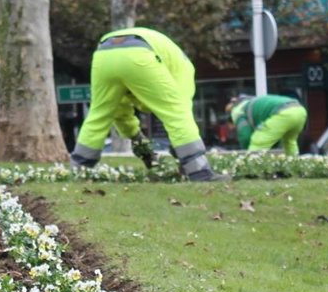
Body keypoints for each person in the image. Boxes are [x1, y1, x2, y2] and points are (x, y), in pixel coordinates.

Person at [70, 27, 221, 181]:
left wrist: (139, 142)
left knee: (99, 114)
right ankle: (200, 173)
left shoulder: (170, 68)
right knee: (177, 111)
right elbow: (179, 116)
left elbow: (119, 113)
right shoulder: (184, 70)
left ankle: (78, 172)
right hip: (139, 52)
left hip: (103, 55)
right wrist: (182, 157)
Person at [227, 93, 308, 155]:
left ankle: (252, 170)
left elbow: (245, 137)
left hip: (284, 113)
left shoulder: (237, 112)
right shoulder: (254, 104)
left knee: (258, 141)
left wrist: (246, 151)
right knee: (289, 142)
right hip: (300, 111)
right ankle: (294, 166)